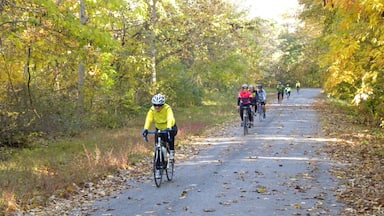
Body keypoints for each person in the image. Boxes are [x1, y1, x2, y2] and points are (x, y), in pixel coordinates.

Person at [142, 94, 178, 177]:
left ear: (163, 105)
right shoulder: (152, 110)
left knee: (170, 137)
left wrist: (169, 127)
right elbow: (149, 119)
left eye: (159, 105)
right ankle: (158, 169)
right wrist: (146, 129)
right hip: (159, 128)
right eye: (155, 105)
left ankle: (172, 152)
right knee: (158, 147)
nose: (157, 107)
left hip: (170, 126)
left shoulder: (167, 108)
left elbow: (170, 118)